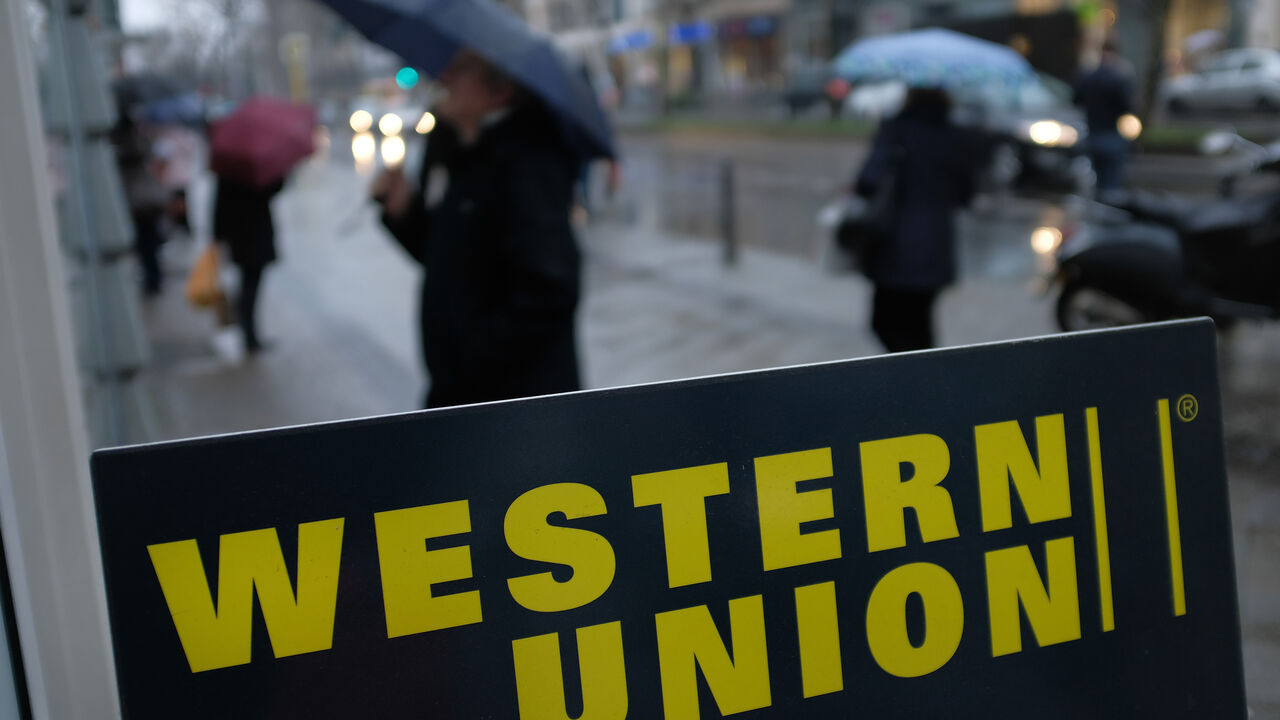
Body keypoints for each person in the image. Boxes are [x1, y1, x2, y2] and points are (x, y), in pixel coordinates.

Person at [371, 50, 582, 408]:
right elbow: (445, 257)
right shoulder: (457, 150)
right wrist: (403, 211)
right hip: (459, 391)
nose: (445, 77)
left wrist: (471, 351)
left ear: (500, 91)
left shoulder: (528, 162)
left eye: (462, 70)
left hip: (513, 403)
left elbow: (549, 288)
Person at [855, 86, 975, 353]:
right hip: (936, 247)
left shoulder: (895, 129)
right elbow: (966, 195)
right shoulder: (954, 135)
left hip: (892, 244)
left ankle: (906, 380)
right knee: (921, 326)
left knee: (883, 323)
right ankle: (920, 382)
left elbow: (868, 181)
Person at [213, 176, 284, 355]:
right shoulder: (258, 168)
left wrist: (218, 235)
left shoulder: (229, 167)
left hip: (239, 233)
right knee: (250, 285)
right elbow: (274, 189)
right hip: (256, 232)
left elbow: (219, 203)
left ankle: (248, 332)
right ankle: (249, 335)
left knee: (247, 284)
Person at [1074, 39, 1134, 195]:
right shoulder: (1119, 78)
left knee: (1098, 179)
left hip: (1093, 133)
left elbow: (1076, 98)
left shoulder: (1088, 76)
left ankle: (1099, 206)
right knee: (1112, 181)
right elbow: (1127, 106)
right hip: (1111, 134)